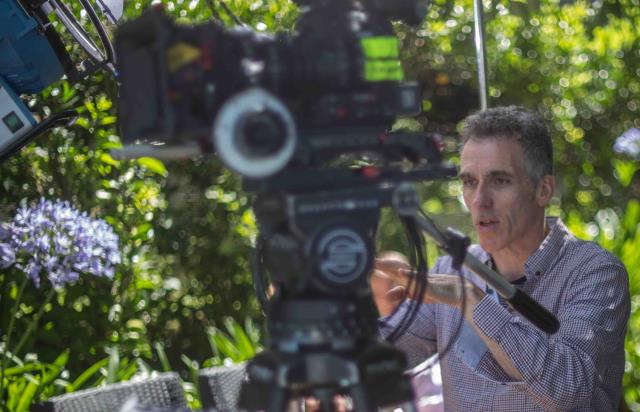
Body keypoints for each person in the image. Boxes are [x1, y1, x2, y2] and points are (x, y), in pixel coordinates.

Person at [373, 106, 630, 411]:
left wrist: (473, 301)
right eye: (470, 182)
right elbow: (379, 357)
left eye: (500, 180)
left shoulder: (594, 271)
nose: (480, 200)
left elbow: (567, 389)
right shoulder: (454, 269)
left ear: (543, 190)